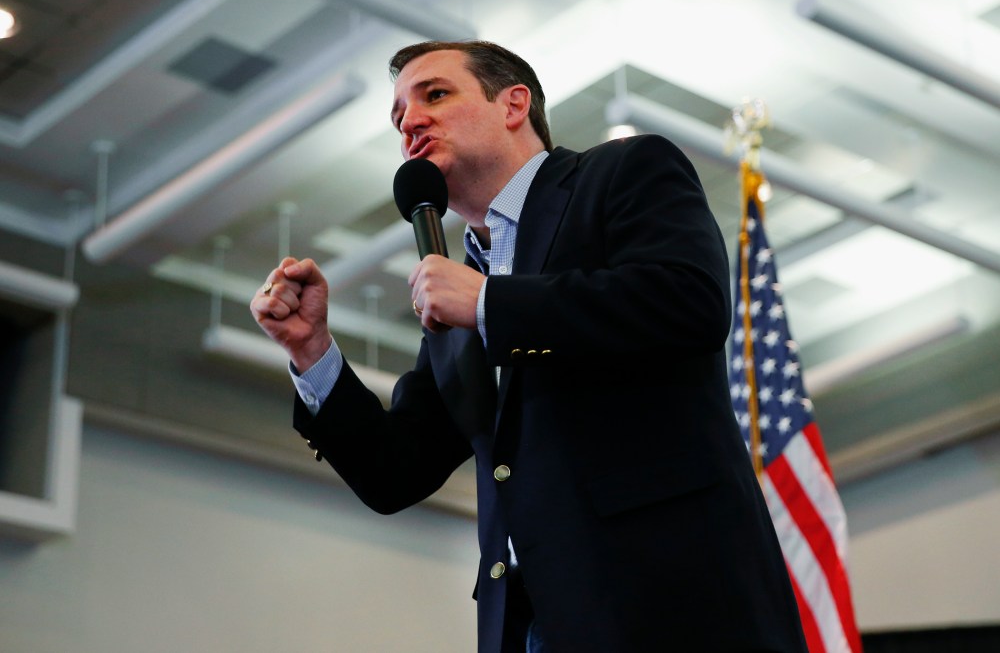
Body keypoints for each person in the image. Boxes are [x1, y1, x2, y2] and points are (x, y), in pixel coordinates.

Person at [251, 40, 807, 653]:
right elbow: (395, 473)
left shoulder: (623, 171)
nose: (409, 121)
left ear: (514, 103)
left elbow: (689, 301)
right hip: (529, 622)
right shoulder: (456, 277)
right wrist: (312, 352)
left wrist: (490, 305)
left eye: (434, 94)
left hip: (670, 604)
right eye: (398, 116)